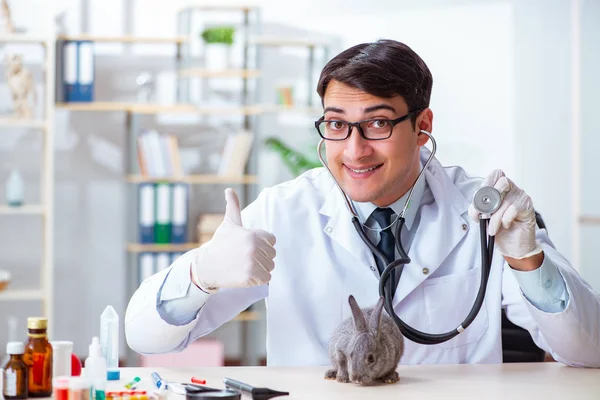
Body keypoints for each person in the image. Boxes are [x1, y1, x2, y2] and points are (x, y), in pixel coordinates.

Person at [124, 39, 600, 367]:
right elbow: (145, 337)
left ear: (422, 125)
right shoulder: (284, 211)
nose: (354, 150)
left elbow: (587, 350)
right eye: (336, 124)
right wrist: (201, 273)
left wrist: (527, 258)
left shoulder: (480, 213)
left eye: (377, 124)